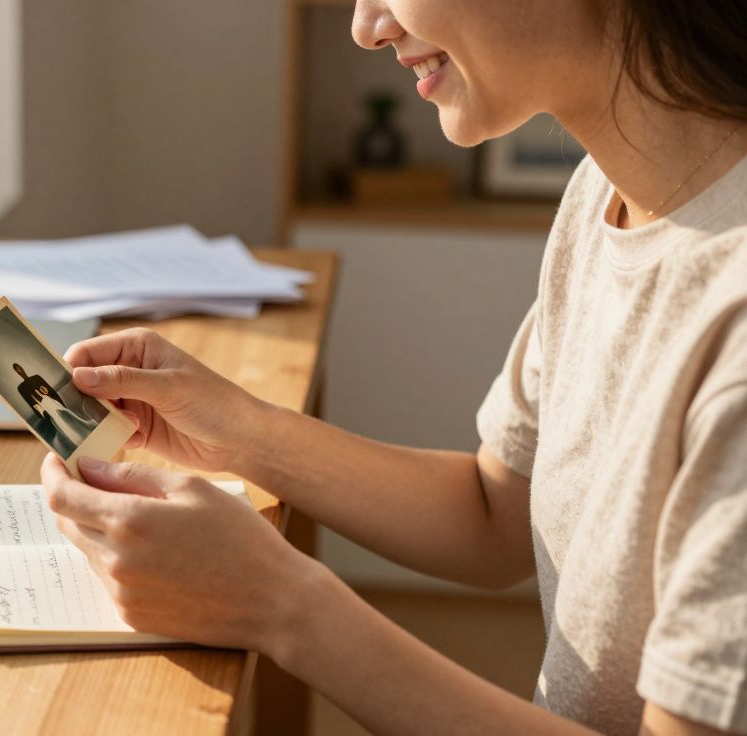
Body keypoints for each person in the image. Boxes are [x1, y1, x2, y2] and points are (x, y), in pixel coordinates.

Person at [39, 1, 747, 733]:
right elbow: (493, 516)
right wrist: (241, 432)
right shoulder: (607, 195)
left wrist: (279, 606)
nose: (366, 24)